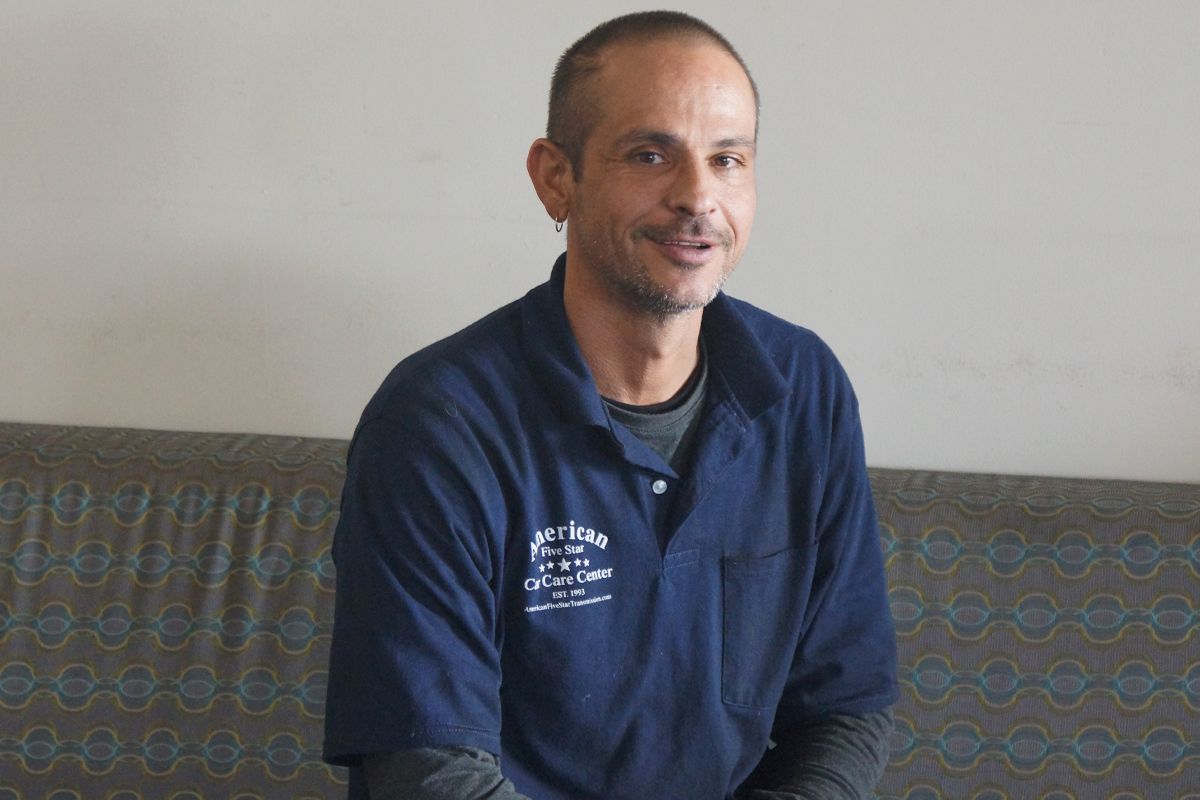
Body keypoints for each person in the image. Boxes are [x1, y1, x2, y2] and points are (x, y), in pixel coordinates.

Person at [322, 11, 898, 800]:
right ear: (556, 177)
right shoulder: (436, 426)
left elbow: (844, 707)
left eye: (727, 159)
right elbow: (430, 769)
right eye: (650, 154)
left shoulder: (805, 390)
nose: (698, 196)